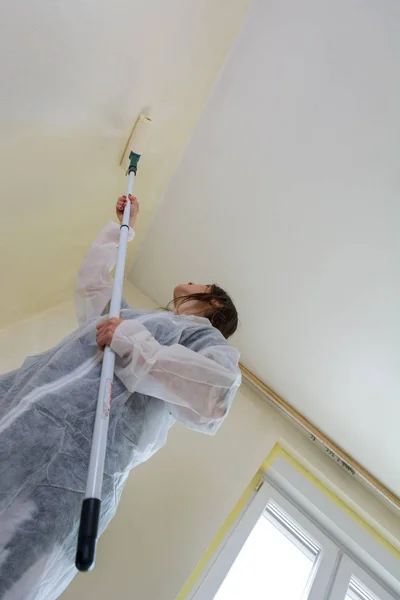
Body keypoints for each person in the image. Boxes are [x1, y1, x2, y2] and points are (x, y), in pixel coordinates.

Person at [0, 195, 241, 600]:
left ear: (214, 301)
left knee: (12, 556)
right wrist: (120, 228)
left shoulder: (202, 337)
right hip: (18, 417)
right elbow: (93, 285)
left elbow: (213, 393)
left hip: (71, 473)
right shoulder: (137, 319)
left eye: (202, 284)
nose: (192, 280)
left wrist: (132, 343)